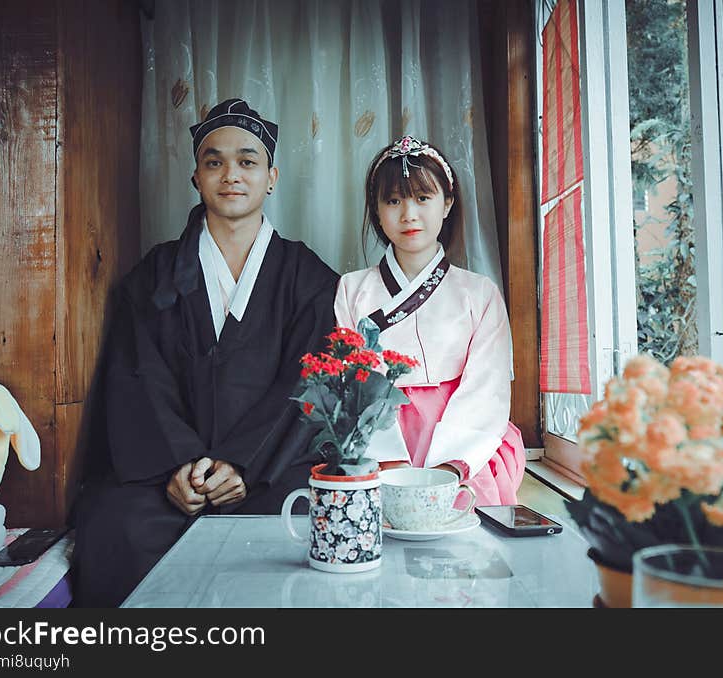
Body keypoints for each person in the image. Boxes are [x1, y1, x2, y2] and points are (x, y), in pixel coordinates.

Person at [70, 98, 339, 607]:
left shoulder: (308, 277)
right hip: (169, 478)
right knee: (113, 526)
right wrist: (179, 466)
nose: (231, 175)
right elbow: (138, 377)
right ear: (196, 177)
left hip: (269, 472)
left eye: (247, 161)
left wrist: (241, 465)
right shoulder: (155, 274)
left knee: (306, 527)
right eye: (214, 162)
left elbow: (308, 383)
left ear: (272, 177)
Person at [334, 135, 526, 507]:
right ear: (376, 209)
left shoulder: (480, 293)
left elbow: (487, 387)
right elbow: (355, 383)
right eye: (393, 200)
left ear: (447, 202)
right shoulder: (351, 289)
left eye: (423, 198)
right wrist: (389, 461)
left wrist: (450, 465)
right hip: (379, 436)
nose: (409, 214)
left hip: (466, 437)